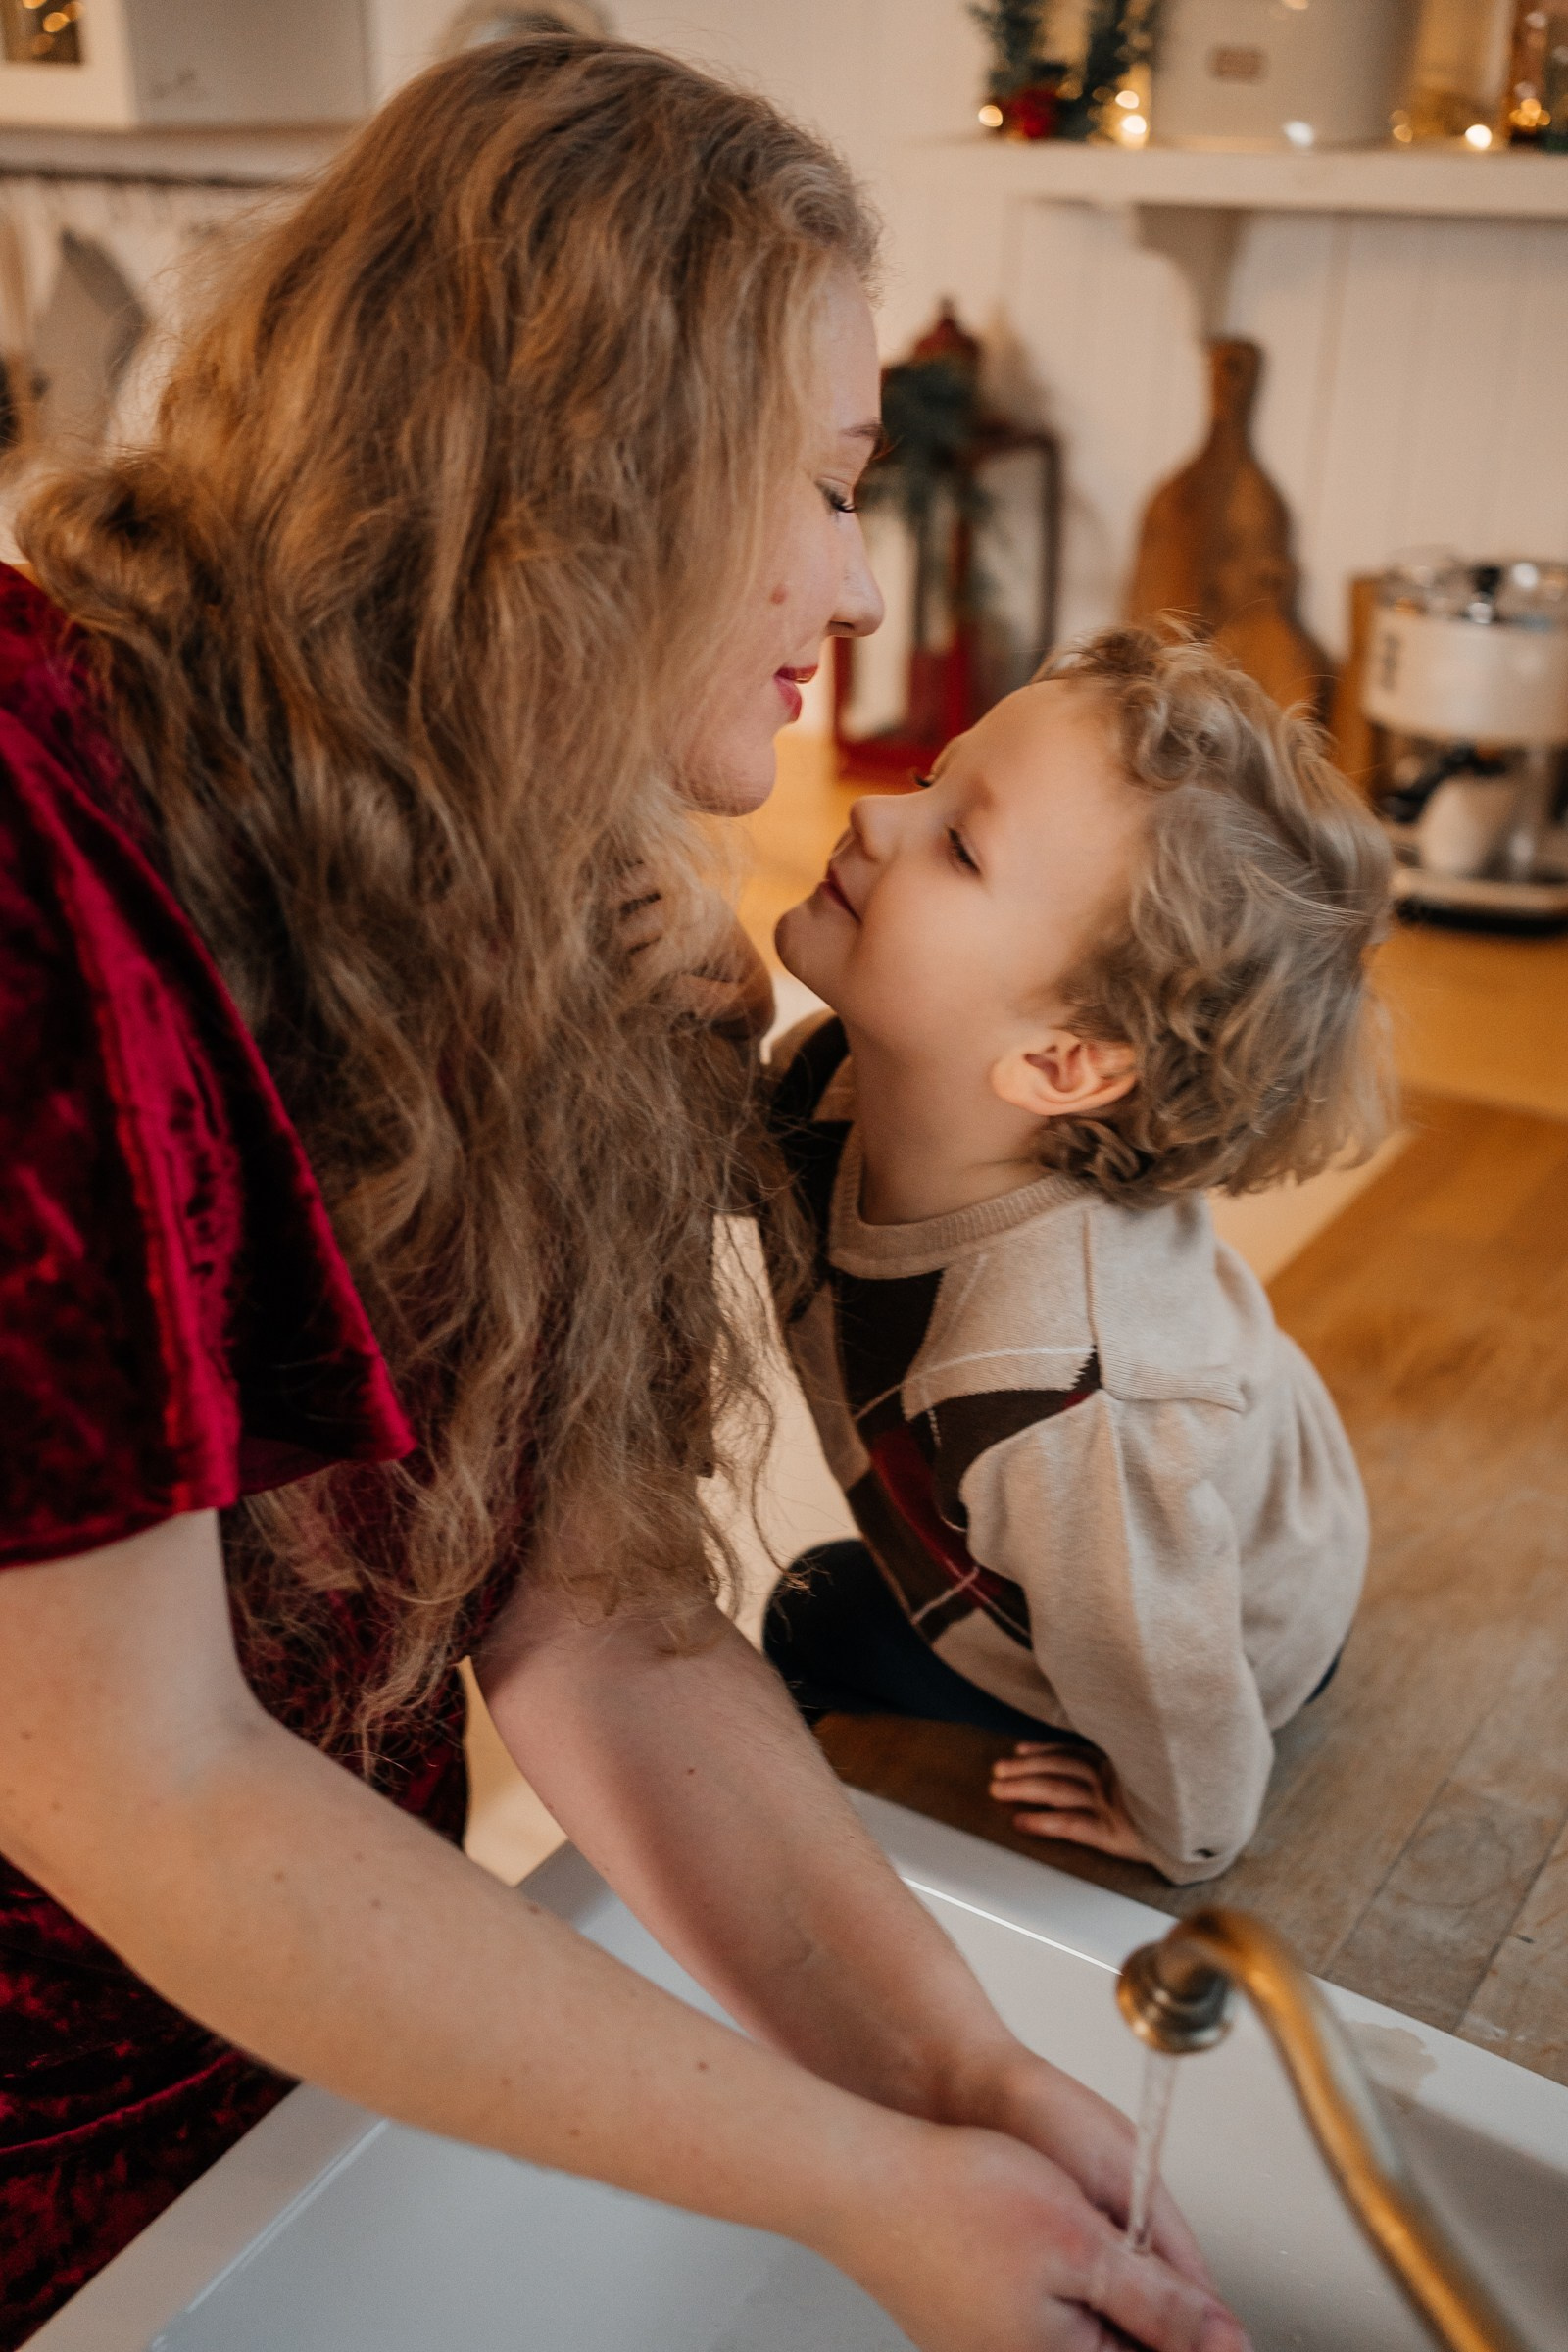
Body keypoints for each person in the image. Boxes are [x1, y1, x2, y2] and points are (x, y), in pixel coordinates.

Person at [0, 36, 1245, 2352]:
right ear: (585, 477)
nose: (856, 584)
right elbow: (140, 1781)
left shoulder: (555, 902)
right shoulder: (35, 861)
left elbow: (589, 1603)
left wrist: (952, 2071)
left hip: (312, 2075)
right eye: (827, 480)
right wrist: (857, 2181)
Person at [764, 629, 1391, 1885]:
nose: (880, 815)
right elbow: (698, 1165)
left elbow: (1163, 1660)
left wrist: (1185, 1824)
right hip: (1169, 1504)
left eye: (956, 844)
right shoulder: (847, 1084)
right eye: (935, 774)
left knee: (809, 1622)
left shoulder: (1057, 1400)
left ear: (1061, 1063)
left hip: (1233, 1628)